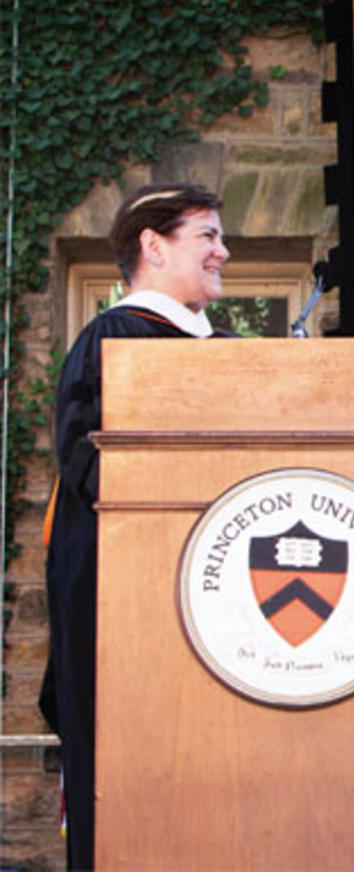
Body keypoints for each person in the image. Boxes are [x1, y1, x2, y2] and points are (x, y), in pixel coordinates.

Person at [41, 182, 231, 869]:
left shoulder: (223, 349)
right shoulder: (115, 340)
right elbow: (94, 469)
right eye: (207, 235)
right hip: (131, 603)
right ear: (153, 246)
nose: (224, 250)